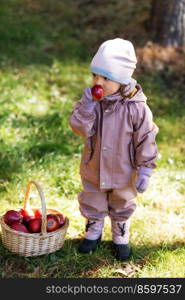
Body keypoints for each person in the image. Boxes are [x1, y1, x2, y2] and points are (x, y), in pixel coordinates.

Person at [69, 38, 158, 260]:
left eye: (105, 78)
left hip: (124, 170)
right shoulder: (92, 101)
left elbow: (146, 139)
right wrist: (87, 106)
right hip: (94, 165)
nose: (98, 82)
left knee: (122, 201)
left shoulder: (137, 107)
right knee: (93, 197)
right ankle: (94, 229)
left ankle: (120, 233)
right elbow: (79, 128)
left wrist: (145, 169)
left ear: (121, 79)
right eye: (95, 76)